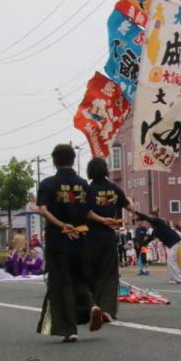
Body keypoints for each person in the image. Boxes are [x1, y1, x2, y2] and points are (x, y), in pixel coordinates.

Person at [35, 143, 110, 342]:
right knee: (82, 279)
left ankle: (69, 329)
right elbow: (88, 212)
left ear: (54, 161)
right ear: (73, 159)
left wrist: (62, 226)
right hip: (81, 239)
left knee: (62, 284)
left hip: (59, 242)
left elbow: (43, 209)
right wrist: (104, 220)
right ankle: (92, 305)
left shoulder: (48, 184)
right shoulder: (83, 184)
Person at [86, 156, 131, 318]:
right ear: (106, 170)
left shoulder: (87, 190)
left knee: (92, 273)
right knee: (110, 274)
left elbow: (85, 212)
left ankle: (93, 306)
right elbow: (128, 205)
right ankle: (108, 310)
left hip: (90, 237)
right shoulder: (114, 189)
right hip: (108, 237)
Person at [139, 210, 181, 284]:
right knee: (172, 261)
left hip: (176, 243)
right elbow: (150, 238)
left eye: (151, 217)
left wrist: (136, 212)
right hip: (174, 244)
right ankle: (174, 278)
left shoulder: (159, 222)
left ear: (156, 217)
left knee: (171, 261)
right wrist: (142, 244)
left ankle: (179, 279)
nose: (150, 220)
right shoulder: (156, 230)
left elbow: (147, 218)